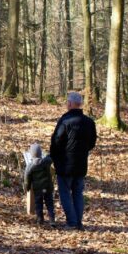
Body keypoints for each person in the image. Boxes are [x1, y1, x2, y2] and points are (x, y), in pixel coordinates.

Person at [50, 92, 97, 230]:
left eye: (67, 102)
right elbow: (92, 143)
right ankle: (78, 222)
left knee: (65, 194)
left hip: (65, 165)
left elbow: (56, 141)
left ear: (70, 104)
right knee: (78, 193)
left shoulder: (64, 121)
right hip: (81, 164)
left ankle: (72, 222)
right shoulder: (89, 122)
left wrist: (54, 157)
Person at [24, 143, 56, 227]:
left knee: (38, 204)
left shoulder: (30, 166)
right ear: (40, 153)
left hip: (38, 189)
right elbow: (51, 157)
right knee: (49, 204)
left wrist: (27, 187)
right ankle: (52, 220)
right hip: (47, 187)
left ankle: (40, 219)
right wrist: (49, 154)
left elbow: (27, 178)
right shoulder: (46, 161)